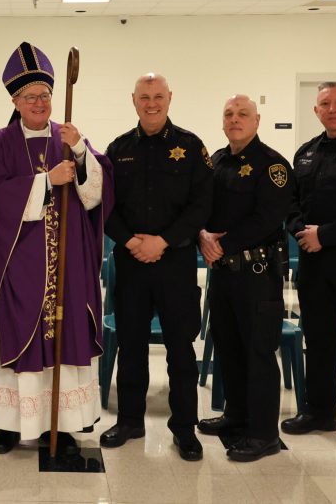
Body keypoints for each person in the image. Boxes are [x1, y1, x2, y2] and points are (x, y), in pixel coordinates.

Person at [0, 42, 113, 456]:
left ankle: (67, 424)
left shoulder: (69, 137)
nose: (39, 102)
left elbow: (96, 196)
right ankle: (7, 424)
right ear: (16, 101)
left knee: (66, 335)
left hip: (66, 266)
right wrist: (45, 181)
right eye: (30, 96)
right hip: (17, 267)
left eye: (45, 95)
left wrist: (80, 152)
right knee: (16, 338)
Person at [101, 73, 213, 461]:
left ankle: (184, 428)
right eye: (144, 96)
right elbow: (105, 205)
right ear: (133, 99)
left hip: (175, 262)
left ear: (170, 98)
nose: (152, 103)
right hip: (131, 262)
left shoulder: (191, 146)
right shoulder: (117, 149)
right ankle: (130, 420)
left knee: (180, 349)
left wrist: (162, 241)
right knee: (130, 346)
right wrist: (132, 241)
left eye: (158, 96)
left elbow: (202, 204)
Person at [197, 95, 292, 461]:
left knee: (258, 352)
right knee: (229, 348)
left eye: (243, 114)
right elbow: (204, 207)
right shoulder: (218, 161)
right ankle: (236, 417)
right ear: (223, 121)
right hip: (223, 274)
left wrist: (223, 245)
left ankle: (265, 433)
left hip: (257, 273)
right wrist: (202, 236)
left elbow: (268, 218)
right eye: (229, 114)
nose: (235, 120)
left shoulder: (273, 166)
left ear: (257, 120)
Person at [281, 81, 336, 442]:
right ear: (316, 110)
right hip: (314, 262)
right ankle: (320, 412)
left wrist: (324, 234)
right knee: (320, 338)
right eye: (326, 103)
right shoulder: (305, 153)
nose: (333, 109)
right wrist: (301, 233)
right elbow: (291, 205)